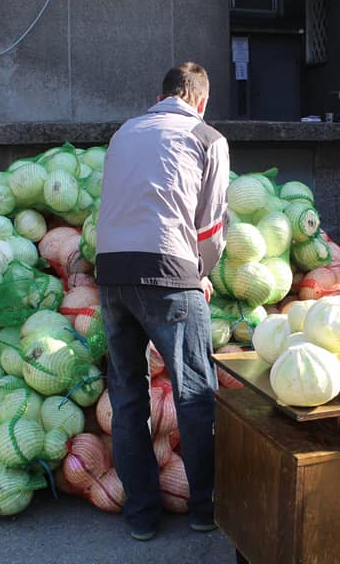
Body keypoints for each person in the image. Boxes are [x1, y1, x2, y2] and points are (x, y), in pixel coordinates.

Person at [96, 62, 229, 540]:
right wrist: (201, 274)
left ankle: (141, 517)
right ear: (200, 101)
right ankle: (203, 508)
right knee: (194, 394)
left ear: (163, 95)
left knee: (128, 395)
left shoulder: (123, 133)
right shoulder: (207, 137)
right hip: (169, 272)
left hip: (111, 272)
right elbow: (210, 227)